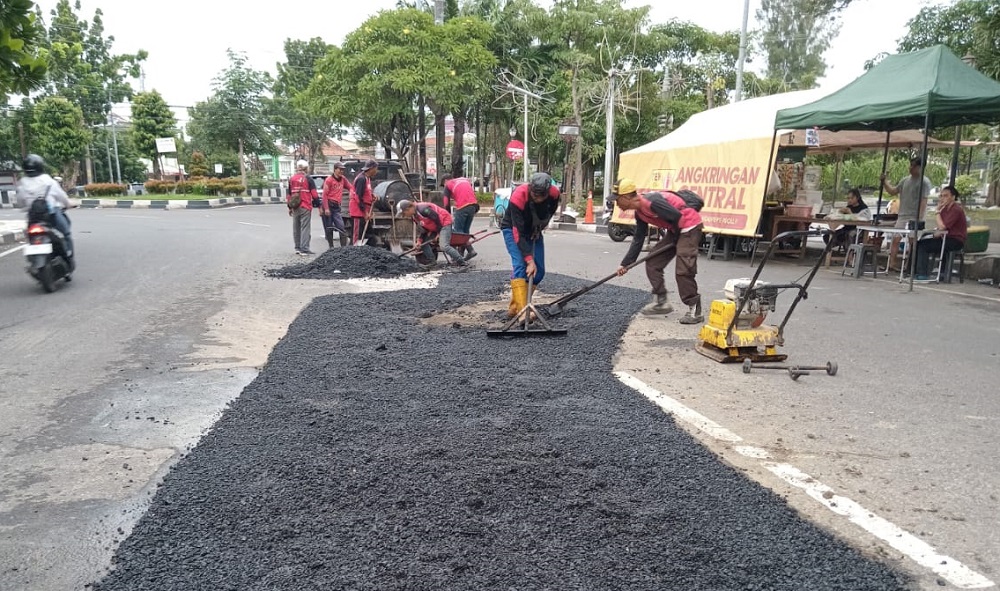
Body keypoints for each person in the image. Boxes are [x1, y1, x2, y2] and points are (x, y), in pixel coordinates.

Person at [613, 179, 705, 324]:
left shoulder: (652, 202)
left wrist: (675, 240)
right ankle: (661, 301)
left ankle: (695, 309)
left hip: (689, 227)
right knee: (653, 261)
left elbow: (677, 217)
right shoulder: (639, 213)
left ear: (625, 198)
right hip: (675, 230)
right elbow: (638, 239)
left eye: (617, 200)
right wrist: (625, 264)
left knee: (683, 269)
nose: (616, 204)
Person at [500, 172, 560, 317]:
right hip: (513, 229)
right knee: (521, 266)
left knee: (538, 272)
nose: (537, 198)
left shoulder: (554, 194)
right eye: (534, 195)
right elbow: (517, 233)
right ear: (530, 189)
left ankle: (515, 308)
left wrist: (539, 227)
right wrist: (529, 260)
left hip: (534, 230)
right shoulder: (518, 197)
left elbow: (549, 213)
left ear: (547, 192)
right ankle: (523, 311)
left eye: (541, 196)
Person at [16, 154, 75, 257]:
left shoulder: (22, 184)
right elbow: (62, 197)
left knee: (30, 237)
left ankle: (32, 259)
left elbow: (20, 203)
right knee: (66, 233)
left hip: (33, 218)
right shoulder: (49, 181)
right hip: (51, 215)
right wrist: (68, 204)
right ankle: (68, 254)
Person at [880, 157, 931, 270]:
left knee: (912, 242)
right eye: (911, 165)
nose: (911, 168)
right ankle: (891, 263)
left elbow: (924, 201)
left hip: (915, 216)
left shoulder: (924, 182)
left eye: (914, 166)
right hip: (903, 215)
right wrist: (885, 182)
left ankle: (909, 266)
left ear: (920, 167)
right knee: (896, 239)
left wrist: (919, 217)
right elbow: (893, 191)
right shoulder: (905, 180)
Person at [914, 185, 966, 281]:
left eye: (945, 196)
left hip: (955, 240)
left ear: (953, 197)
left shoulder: (956, 209)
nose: (942, 198)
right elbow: (940, 228)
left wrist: (937, 212)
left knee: (924, 246)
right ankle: (913, 271)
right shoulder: (944, 209)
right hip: (945, 237)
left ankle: (922, 274)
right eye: (941, 196)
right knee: (919, 241)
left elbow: (942, 227)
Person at [396, 199, 466, 267]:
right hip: (435, 227)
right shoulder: (415, 217)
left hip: (444, 222)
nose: (404, 215)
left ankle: (462, 262)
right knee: (423, 244)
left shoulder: (422, 209)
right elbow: (423, 230)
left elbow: (436, 217)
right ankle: (432, 262)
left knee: (444, 246)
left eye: (404, 213)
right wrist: (419, 241)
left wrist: (438, 233)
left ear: (408, 208)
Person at [441, 174, 479, 261]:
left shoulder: (448, 184)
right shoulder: (464, 179)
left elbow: (446, 203)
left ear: (445, 181)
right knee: (465, 231)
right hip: (473, 206)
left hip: (463, 207)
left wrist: (447, 216)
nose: (444, 187)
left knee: (458, 233)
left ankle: (467, 252)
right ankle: (464, 253)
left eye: (443, 185)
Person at [287, 160, 317, 255]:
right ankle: (304, 248)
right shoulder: (308, 178)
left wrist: (289, 207)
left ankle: (297, 247)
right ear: (306, 168)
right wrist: (319, 205)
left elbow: (288, 194)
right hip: (305, 205)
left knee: (296, 227)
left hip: (295, 206)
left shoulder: (292, 179)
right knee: (305, 227)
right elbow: (314, 194)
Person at [320, 162, 351, 248]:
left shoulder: (343, 179)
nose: (342, 171)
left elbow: (350, 187)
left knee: (341, 227)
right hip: (329, 205)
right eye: (340, 169)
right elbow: (324, 195)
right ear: (335, 169)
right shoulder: (329, 180)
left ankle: (343, 249)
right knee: (329, 228)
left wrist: (352, 192)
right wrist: (326, 208)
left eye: (343, 170)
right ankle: (331, 247)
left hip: (337, 206)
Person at [350, 159, 378, 245]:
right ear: (371, 168)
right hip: (358, 212)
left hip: (365, 211)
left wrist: (372, 196)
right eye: (376, 169)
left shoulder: (367, 179)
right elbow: (358, 197)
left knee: (369, 236)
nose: (377, 171)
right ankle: (354, 253)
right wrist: (365, 212)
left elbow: (366, 192)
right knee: (358, 237)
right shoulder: (361, 179)